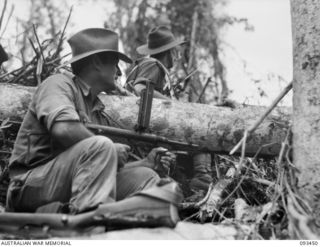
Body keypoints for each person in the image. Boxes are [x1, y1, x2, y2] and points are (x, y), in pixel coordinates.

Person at [6, 28, 176, 214]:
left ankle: (123, 227)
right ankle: (88, 229)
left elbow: (98, 166)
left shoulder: (96, 109)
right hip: (28, 186)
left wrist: (145, 163)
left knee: (145, 176)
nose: (119, 72)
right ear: (96, 62)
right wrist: (109, 149)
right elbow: (63, 129)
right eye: (115, 64)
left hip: (68, 184)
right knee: (102, 146)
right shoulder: (58, 84)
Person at [126, 26, 213, 191]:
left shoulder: (151, 66)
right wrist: (174, 105)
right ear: (169, 51)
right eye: (175, 51)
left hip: (145, 124)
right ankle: (202, 181)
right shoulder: (153, 64)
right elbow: (140, 88)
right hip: (144, 126)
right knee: (201, 133)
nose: (177, 55)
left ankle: (190, 183)